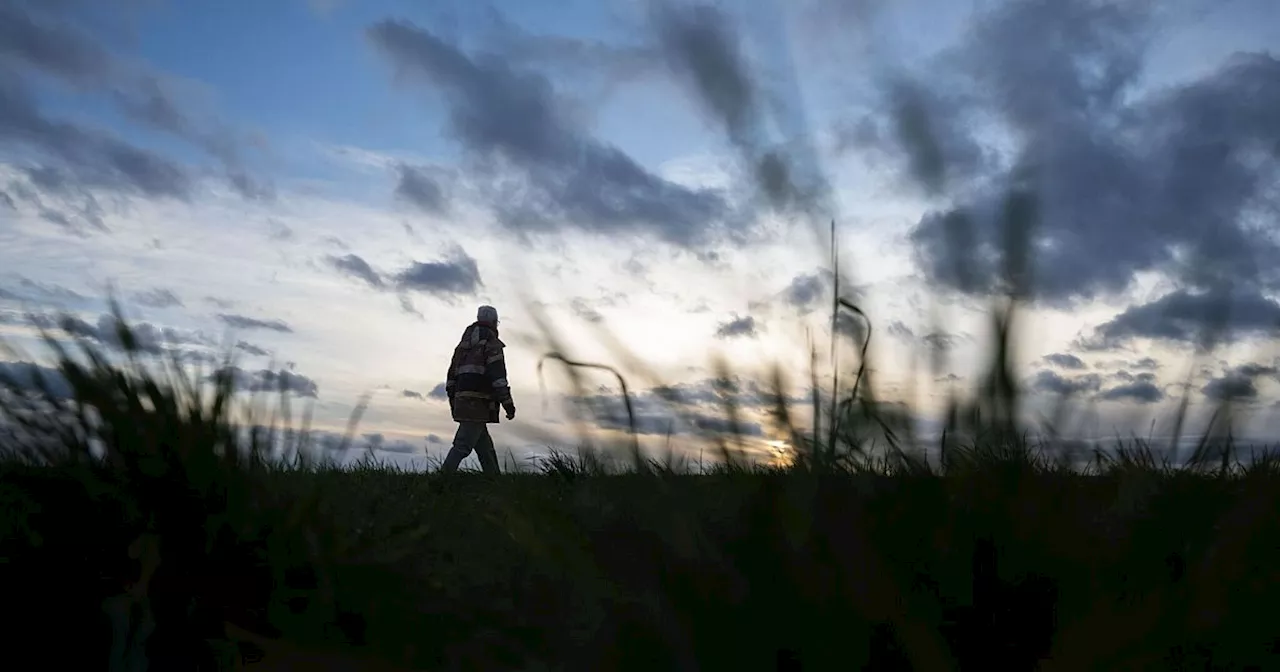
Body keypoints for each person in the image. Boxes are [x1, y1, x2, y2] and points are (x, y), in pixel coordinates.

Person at [440, 305, 516, 474]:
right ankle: (440, 480)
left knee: (484, 447)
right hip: (480, 403)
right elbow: (498, 377)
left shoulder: (462, 347)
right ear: (495, 322)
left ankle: (494, 480)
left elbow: (451, 377)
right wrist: (508, 403)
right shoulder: (492, 344)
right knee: (462, 445)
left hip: (462, 401)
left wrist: (454, 400)